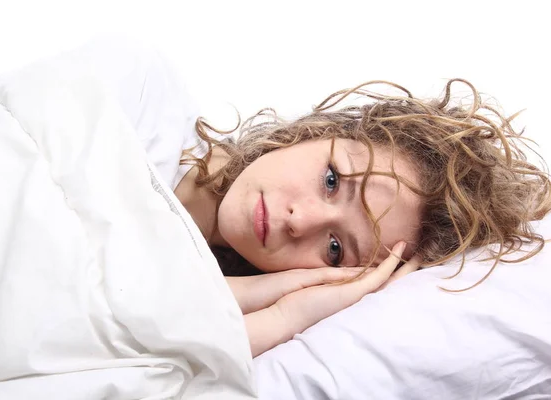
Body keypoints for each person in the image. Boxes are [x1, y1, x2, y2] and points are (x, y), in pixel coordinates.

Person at [173, 79, 551, 356]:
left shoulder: (211, 301)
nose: (300, 221)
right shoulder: (144, 106)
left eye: (335, 249)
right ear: (318, 133)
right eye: (332, 180)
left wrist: (289, 313)